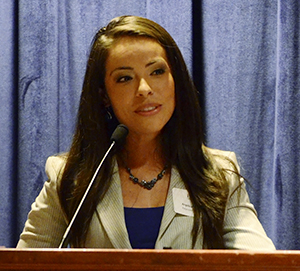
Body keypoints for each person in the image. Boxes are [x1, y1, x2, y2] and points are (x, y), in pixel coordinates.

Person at [17, 15, 275, 250]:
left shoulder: (218, 173)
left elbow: (260, 269)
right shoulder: (70, 176)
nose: (144, 89)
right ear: (103, 96)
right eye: (125, 78)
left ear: (176, 81)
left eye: (157, 72)